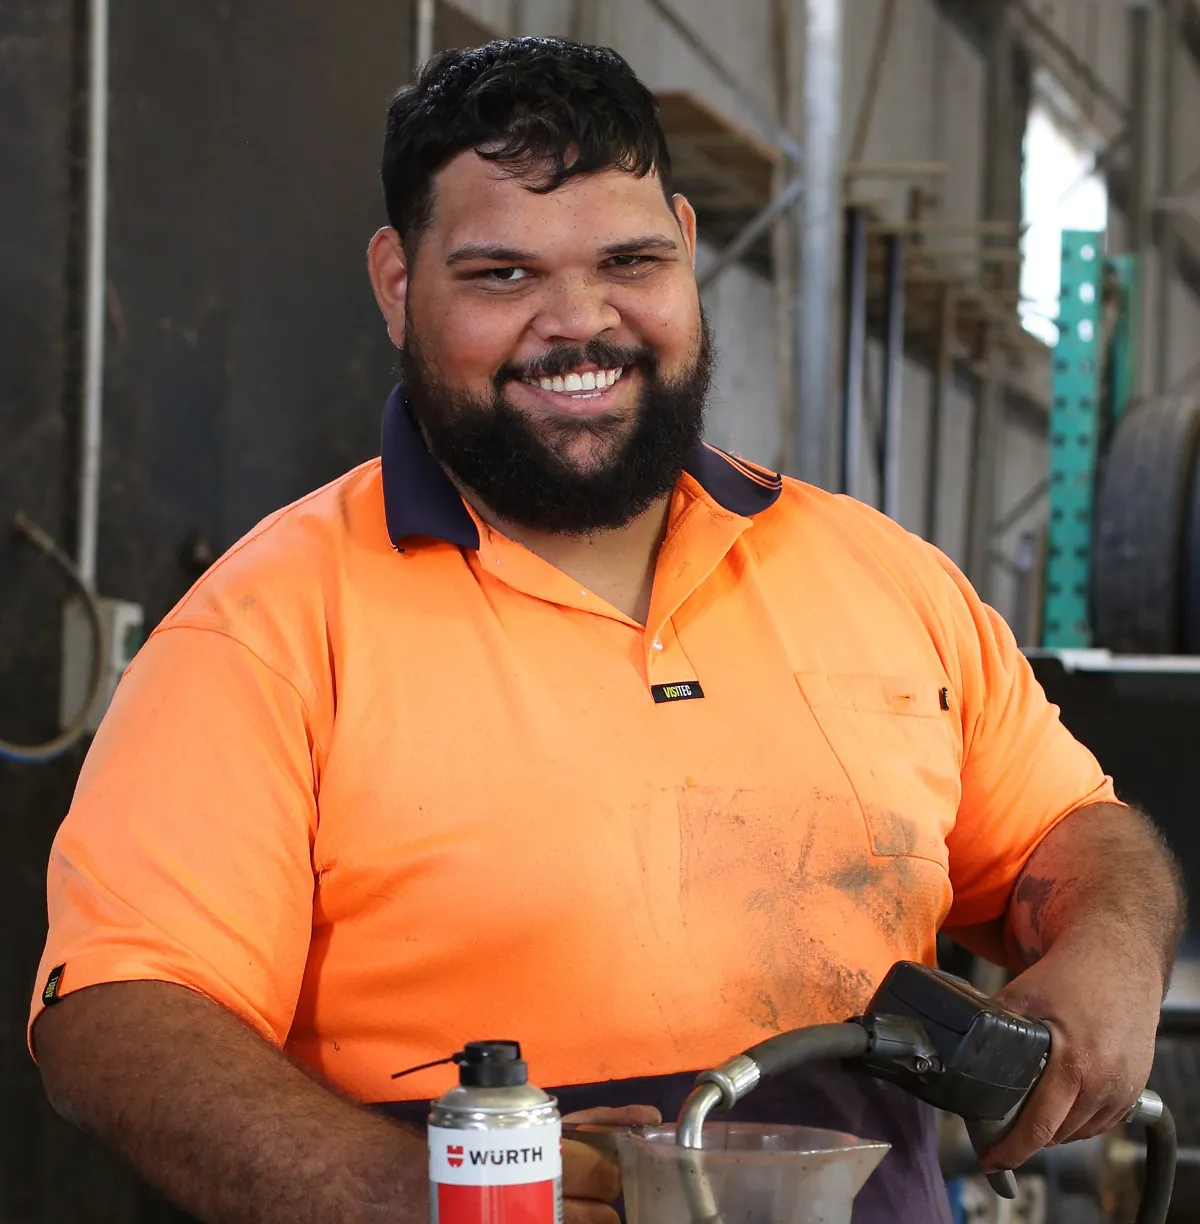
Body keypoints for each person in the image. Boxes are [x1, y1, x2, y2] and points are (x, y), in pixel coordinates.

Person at [30, 37, 1183, 1224]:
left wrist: (1111, 951)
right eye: (500, 276)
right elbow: (117, 1010)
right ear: (395, 284)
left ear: (687, 246)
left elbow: (1069, 831)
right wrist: (396, 1191)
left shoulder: (884, 580)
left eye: (630, 260)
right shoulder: (266, 627)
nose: (579, 324)